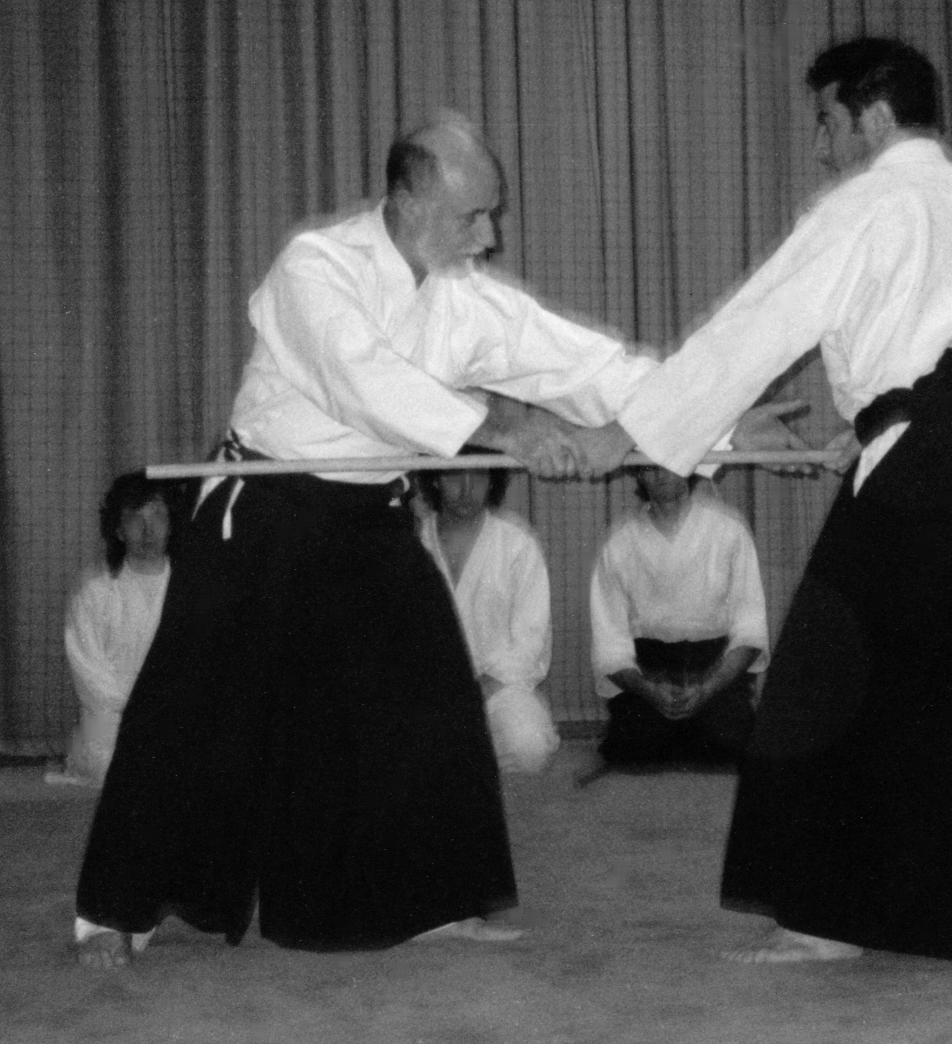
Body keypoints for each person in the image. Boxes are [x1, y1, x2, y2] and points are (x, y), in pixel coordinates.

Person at [575, 38, 952, 964]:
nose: (820, 146)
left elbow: (758, 326)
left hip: (931, 459)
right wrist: (878, 427)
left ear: (873, 117)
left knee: (831, 675)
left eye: (827, 122)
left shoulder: (865, 203)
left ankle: (833, 916)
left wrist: (629, 430)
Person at [73, 113, 668, 969]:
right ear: (411, 202)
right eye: (473, 217)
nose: (489, 236)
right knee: (197, 709)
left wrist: (705, 412)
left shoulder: (465, 299)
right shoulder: (315, 266)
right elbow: (361, 381)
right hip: (265, 502)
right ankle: (116, 909)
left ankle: (422, 901)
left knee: (427, 694)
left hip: (370, 511)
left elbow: (588, 365)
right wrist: (506, 428)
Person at [589, 467, 768, 768]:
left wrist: (708, 687)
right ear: (638, 475)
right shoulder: (620, 540)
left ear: (688, 466)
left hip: (714, 664)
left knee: (731, 746)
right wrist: (648, 690)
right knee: (633, 752)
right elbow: (610, 645)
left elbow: (750, 629)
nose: (660, 475)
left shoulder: (729, 528)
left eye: (669, 464)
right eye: (649, 468)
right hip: (649, 668)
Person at [415, 452, 559, 775]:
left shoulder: (517, 543)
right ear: (435, 479)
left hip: (499, 687)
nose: (467, 489)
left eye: (478, 476)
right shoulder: (415, 542)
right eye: (454, 475)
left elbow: (531, 643)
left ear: (492, 479)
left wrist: (480, 688)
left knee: (530, 748)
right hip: (429, 687)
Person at [48, 473, 177, 788]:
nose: (147, 529)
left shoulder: (191, 586)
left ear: (172, 523)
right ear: (118, 530)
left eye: (157, 516)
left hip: (176, 712)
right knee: (110, 766)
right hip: (113, 715)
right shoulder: (93, 588)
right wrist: (138, 708)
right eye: (134, 518)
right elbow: (89, 673)